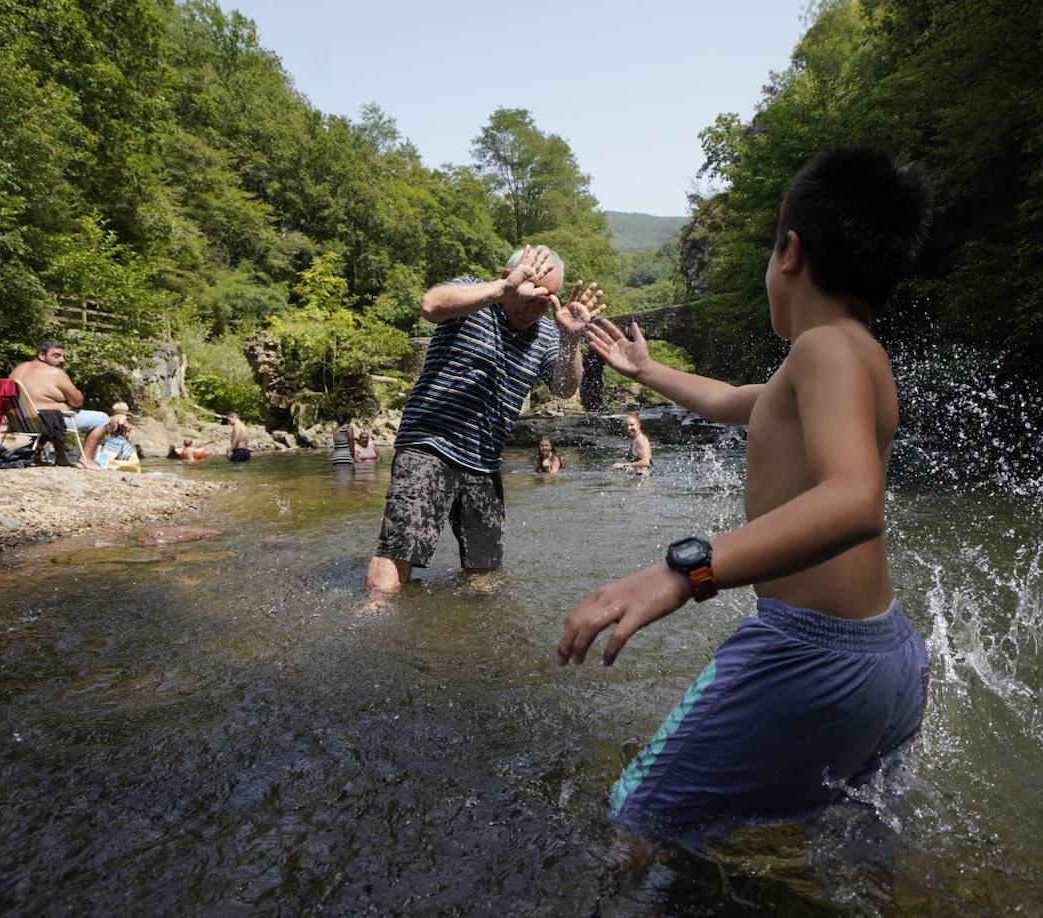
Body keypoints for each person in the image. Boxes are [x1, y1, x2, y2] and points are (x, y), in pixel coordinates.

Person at [563, 144, 934, 849]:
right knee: (858, 852)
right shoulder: (856, 353)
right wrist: (647, 370)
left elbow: (856, 499)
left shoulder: (821, 350)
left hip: (810, 654)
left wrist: (684, 570)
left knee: (634, 818)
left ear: (789, 253)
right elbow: (735, 401)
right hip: (890, 657)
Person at [365, 245, 606, 592]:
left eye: (546, 301)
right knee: (398, 550)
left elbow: (564, 388)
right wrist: (500, 291)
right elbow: (430, 305)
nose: (535, 308)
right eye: (530, 294)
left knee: (484, 573)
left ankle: (466, 641)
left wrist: (570, 340)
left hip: (484, 461)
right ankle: (373, 634)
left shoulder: (545, 334)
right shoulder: (473, 295)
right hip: (429, 446)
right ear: (508, 277)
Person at [8, 341, 108, 466]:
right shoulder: (55, 373)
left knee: (55, 415)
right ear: (42, 356)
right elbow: (77, 401)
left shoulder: (19, 369)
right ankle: (86, 459)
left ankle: (59, 457)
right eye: (56, 356)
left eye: (63, 356)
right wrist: (62, 404)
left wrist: (56, 405)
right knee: (102, 419)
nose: (62, 360)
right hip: (43, 421)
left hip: (18, 420)